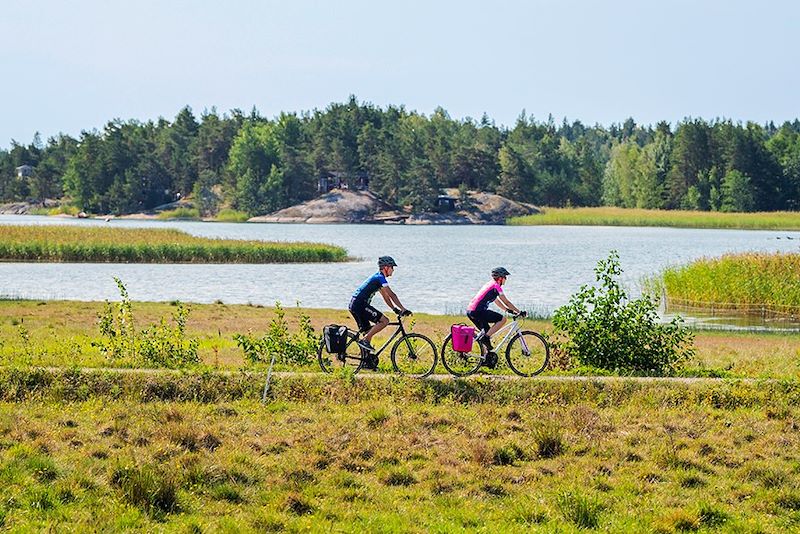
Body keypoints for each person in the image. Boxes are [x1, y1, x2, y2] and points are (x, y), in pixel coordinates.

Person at [349, 256, 411, 369]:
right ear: (386, 268)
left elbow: (386, 297)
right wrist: (403, 309)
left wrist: (395, 309)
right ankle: (365, 340)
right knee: (384, 321)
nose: (393, 270)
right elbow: (392, 295)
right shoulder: (380, 278)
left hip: (355, 304)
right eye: (392, 267)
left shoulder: (378, 279)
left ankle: (365, 362)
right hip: (360, 305)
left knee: (368, 331)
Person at [466, 267, 525, 368]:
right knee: (502, 319)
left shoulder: (490, 285)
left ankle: (484, 358)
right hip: (478, 311)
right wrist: (519, 312)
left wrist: (507, 310)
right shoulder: (496, 286)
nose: (506, 279)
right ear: (500, 278)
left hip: (471, 311)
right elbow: (506, 301)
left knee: (486, 333)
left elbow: (497, 301)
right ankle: (485, 339)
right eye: (505, 277)